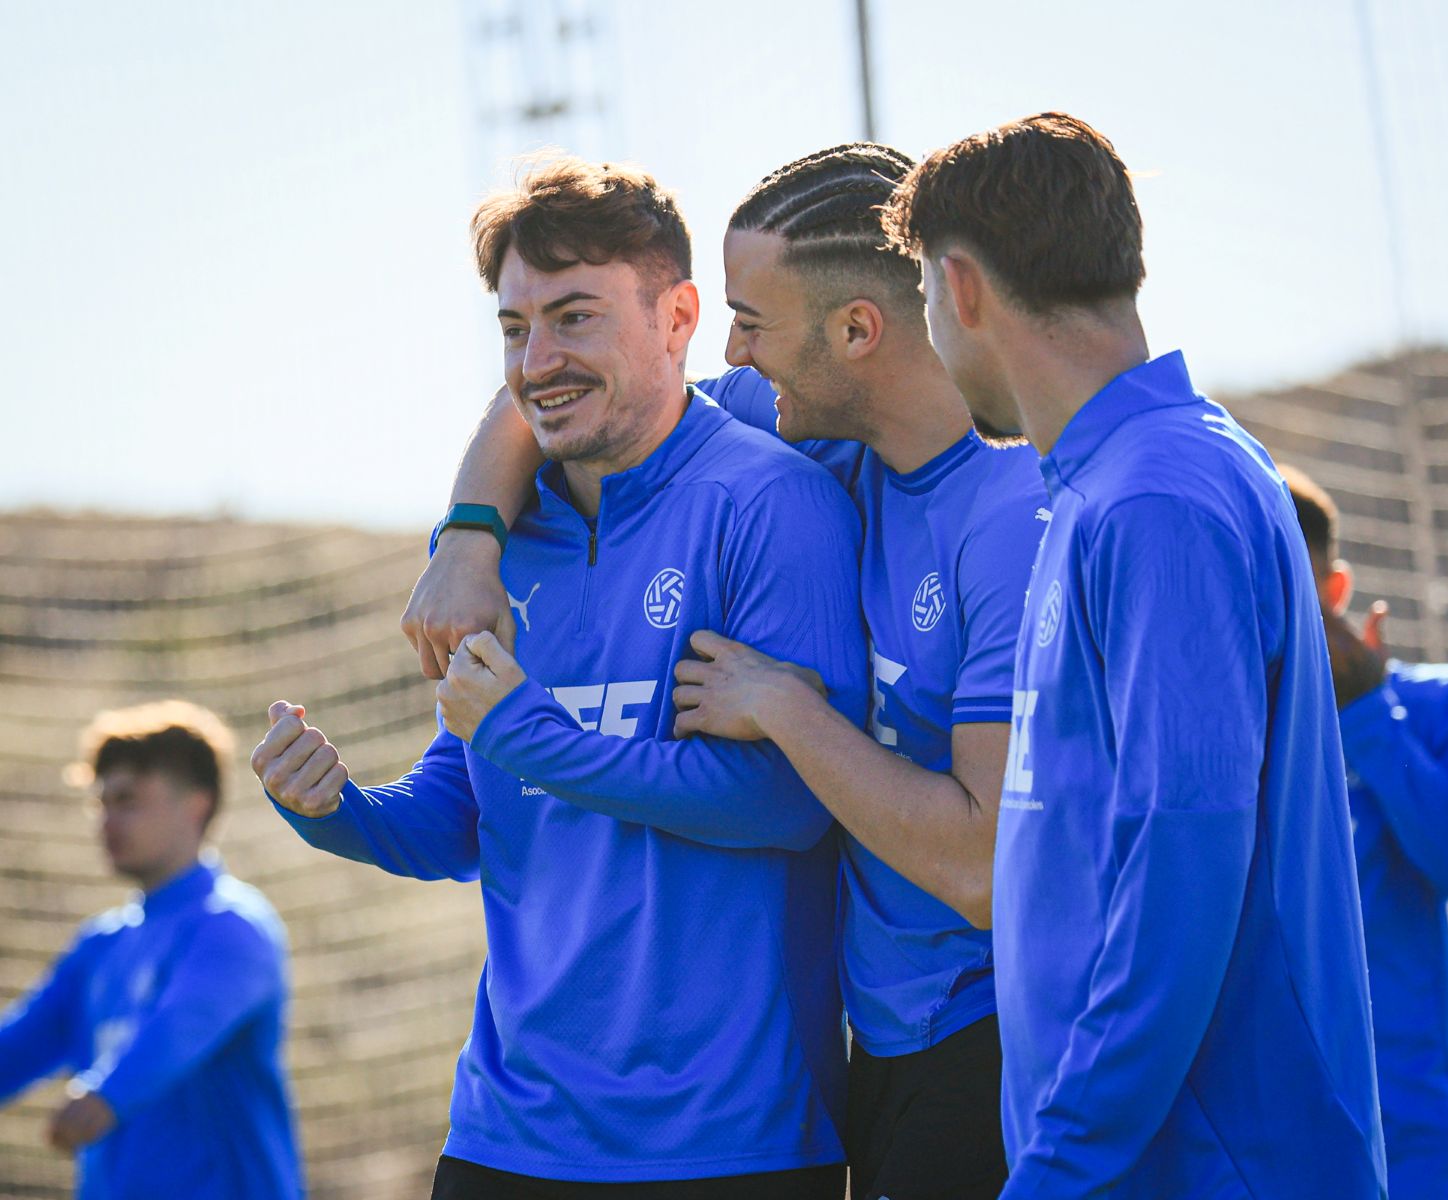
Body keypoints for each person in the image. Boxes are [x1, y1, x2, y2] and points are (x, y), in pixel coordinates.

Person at [402, 143, 1050, 1200]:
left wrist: (787, 710)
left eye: (750, 321)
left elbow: (978, 869)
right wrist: (468, 537)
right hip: (878, 1044)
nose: (730, 351)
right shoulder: (800, 423)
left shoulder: (1009, 516)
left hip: (993, 1035)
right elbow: (541, 397)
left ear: (856, 331)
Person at [252, 157, 864, 1199]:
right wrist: (336, 809)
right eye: (514, 328)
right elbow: (464, 813)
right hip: (507, 1133)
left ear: (677, 318)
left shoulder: (773, 503)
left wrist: (528, 733)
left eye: (575, 317)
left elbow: (790, 805)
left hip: (728, 1141)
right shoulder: (504, 544)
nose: (538, 361)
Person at [880, 112, 1387, 1196]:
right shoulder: (1111, 481)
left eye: (922, 297)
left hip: (1208, 1163)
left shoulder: (1156, 500)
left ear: (961, 288)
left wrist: (1062, 1161)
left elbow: (1182, 858)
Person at [1283, 463, 1448, 1200]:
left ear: (1336, 587)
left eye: (1296, 583)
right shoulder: (1220, 727)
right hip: (1265, 1156)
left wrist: (1371, 720)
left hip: (1415, 1154)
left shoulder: (1435, 707)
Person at [0, 700, 301, 1200]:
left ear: (196, 804)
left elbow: (181, 1024)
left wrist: (105, 1096)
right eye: (101, 803)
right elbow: (17, 1046)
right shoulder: (101, 946)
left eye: (127, 799)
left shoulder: (233, 927)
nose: (107, 820)